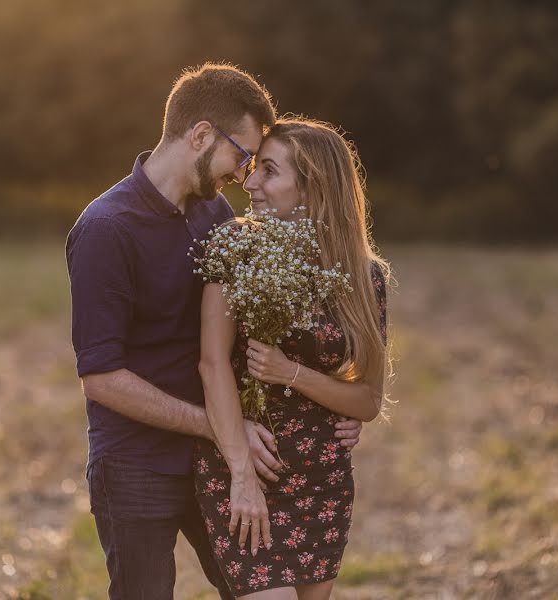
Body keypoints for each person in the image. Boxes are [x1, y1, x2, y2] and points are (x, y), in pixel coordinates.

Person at [66, 65, 365, 600]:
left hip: (220, 457)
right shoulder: (105, 229)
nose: (245, 173)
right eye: (241, 155)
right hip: (137, 462)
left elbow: (270, 334)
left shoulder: (214, 213)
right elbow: (102, 378)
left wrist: (336, 411)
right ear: (201, 135)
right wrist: (219, 428)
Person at [193, 117, 390, 599]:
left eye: (269, 171)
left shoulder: (366, 277)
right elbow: (211, 363)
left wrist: (291, 373)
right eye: (255, 168)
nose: (251, 182)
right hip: (246, 470)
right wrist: (241, 473)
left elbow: (366, 401)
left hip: (322, 479)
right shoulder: (234, 246)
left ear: (312, 187)